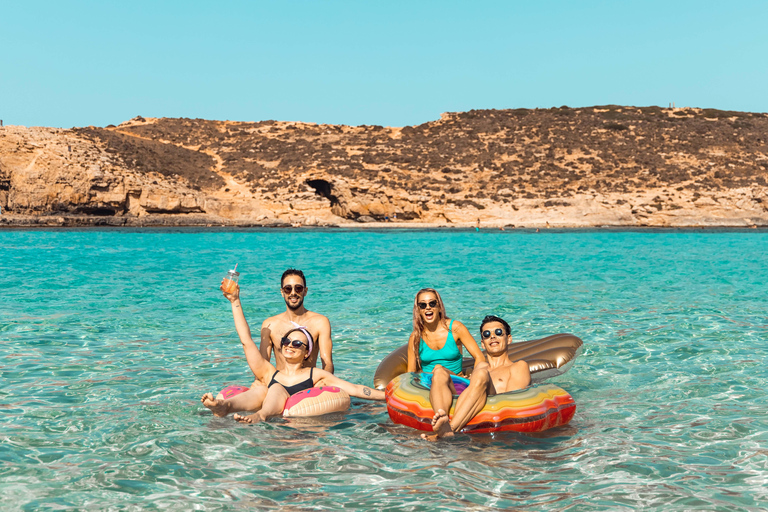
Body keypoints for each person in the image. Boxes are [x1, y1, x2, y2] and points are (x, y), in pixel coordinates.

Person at [201, 282, 383, 422]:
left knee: (276, 389)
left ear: (306, 353)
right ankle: (224, 406)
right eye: (286, 341)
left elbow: (356, 389)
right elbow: (246, 341)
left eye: (297, 343)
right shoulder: (269, 372)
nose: (289, 345)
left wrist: (387, 396)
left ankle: (261, 416)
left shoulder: (316, 375)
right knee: (262, 390)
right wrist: (235, 301)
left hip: (297, 406)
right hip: (268, 394)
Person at [424, 315, 531, 440]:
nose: (492, 336)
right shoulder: (480, 367)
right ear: (483, 344)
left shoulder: (518, 366)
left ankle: (449, 430)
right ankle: (441, 418)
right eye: (486, 334)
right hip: (473, 400)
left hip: (493, 415)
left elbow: (512, 403)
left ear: (509, 339)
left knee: (481, 373)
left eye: (498, 332)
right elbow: (471, 390)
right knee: (439, 370)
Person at [406, 288, 486, 441]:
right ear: (418, 310)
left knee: (438, 369)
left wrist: (475, 376)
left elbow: (479, 357)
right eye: (422, 305)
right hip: (429, 384)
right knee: (437, 371)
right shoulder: (416, 337)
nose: (428, 307)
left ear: (439, 306)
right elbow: (410, 372)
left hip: (454, 381)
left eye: (432, 303)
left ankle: (441, 420)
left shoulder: (455, 328)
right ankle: (442, 422)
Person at [261, 269, 334, 374]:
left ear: (305, 291)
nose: (293, 293)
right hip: (280, 385)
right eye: (288, 289)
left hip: (308, 386)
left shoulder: (320, 322)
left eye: (298, 288)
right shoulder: (270, 325)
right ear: (282, 292)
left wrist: (326, 385)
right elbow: (262, 365)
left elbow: (327, 363)